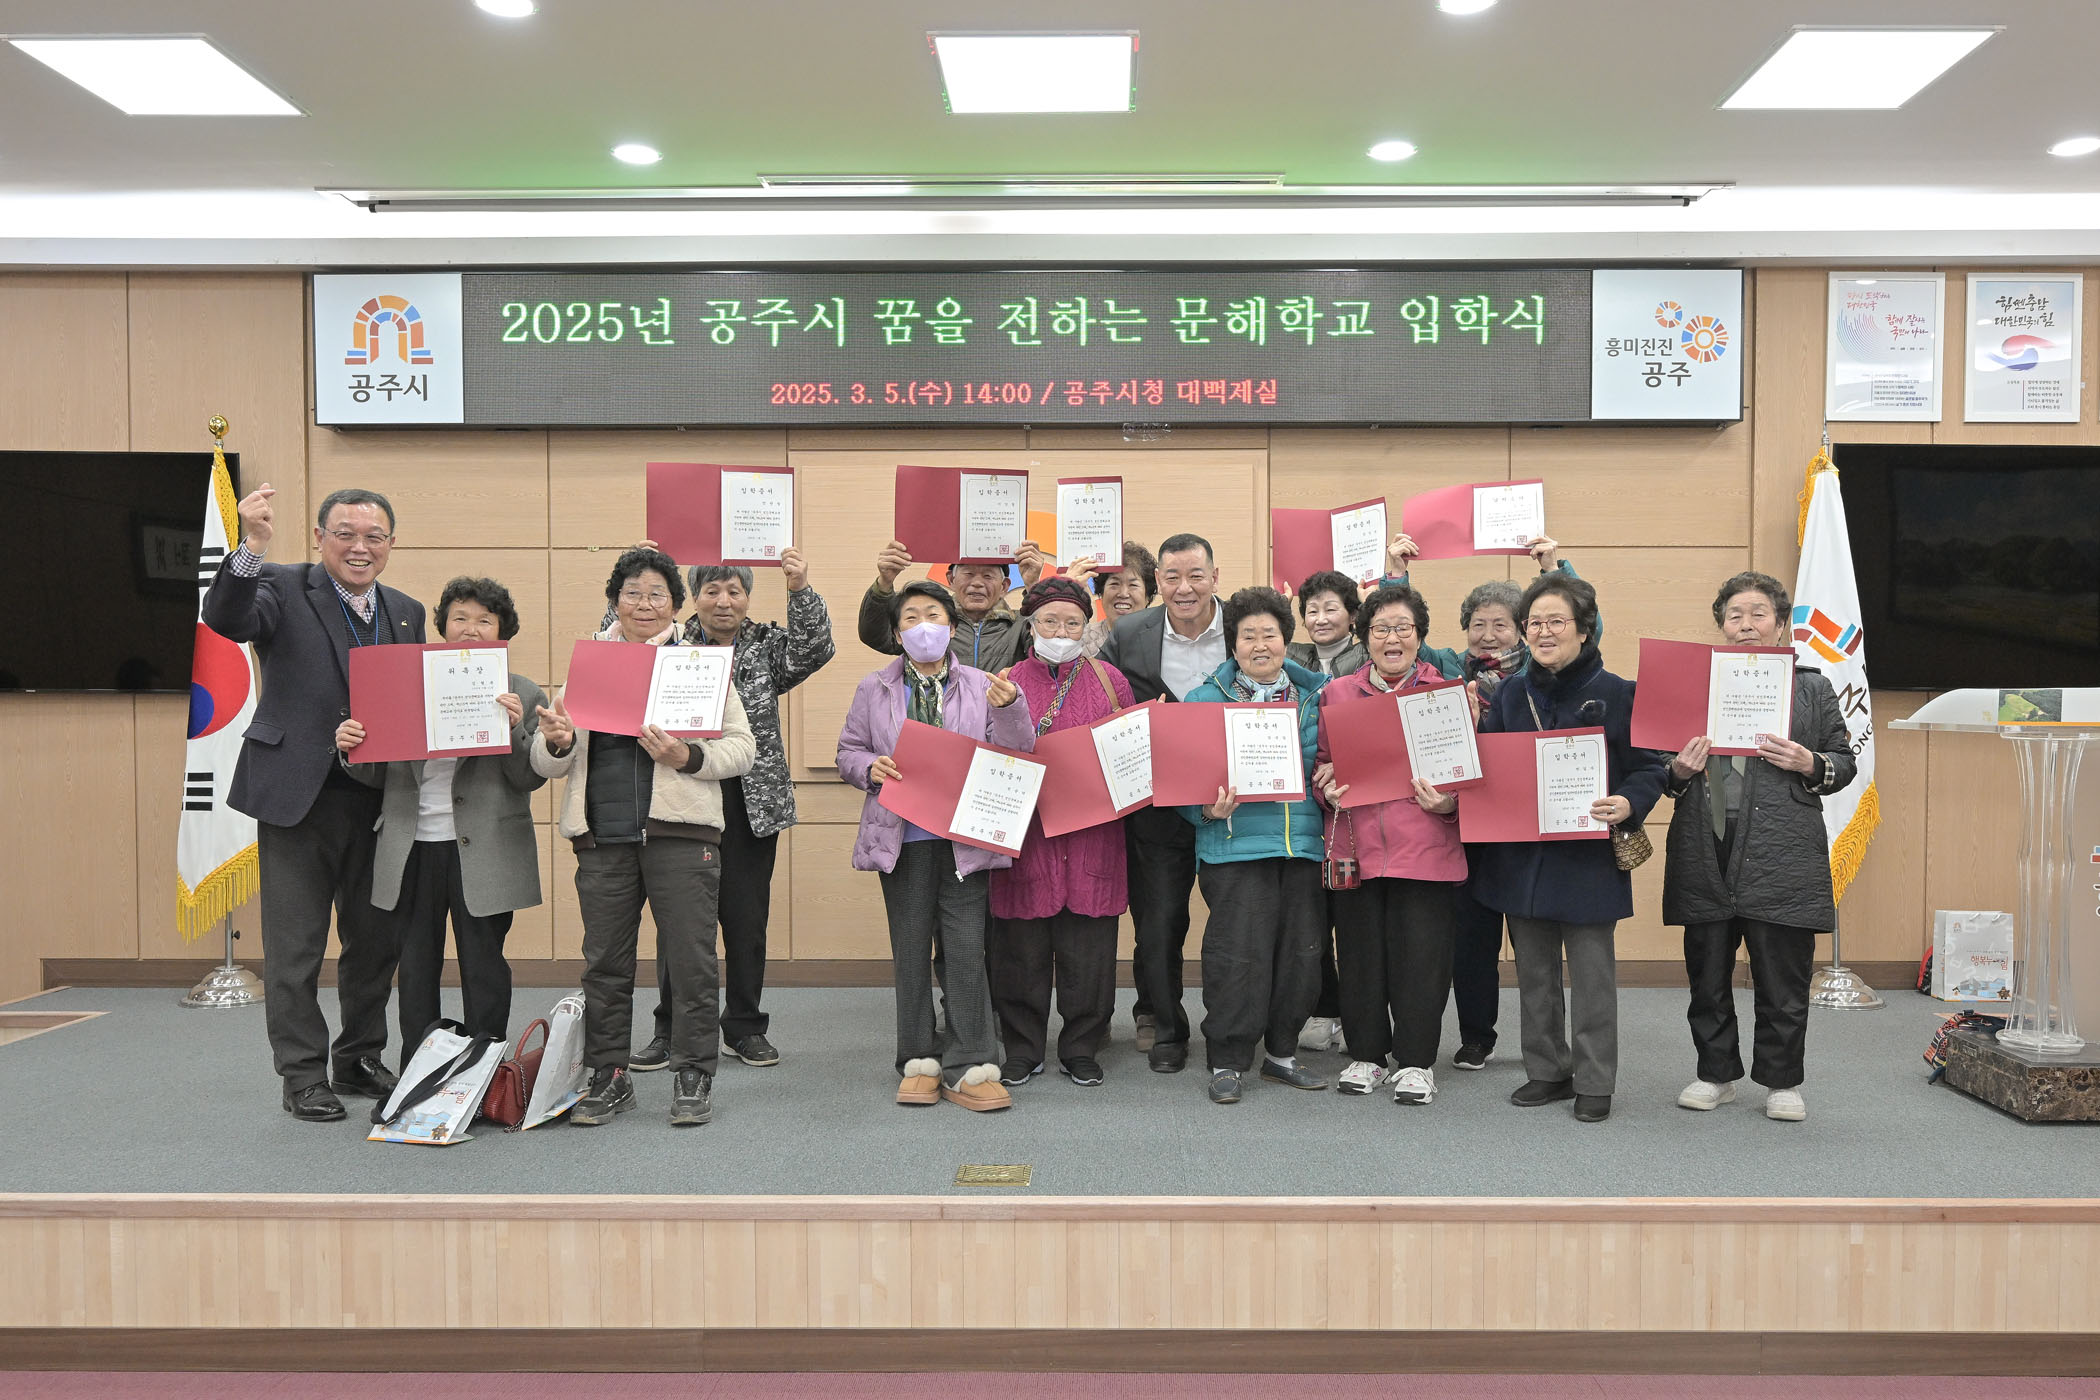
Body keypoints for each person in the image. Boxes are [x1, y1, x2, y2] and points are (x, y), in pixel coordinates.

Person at [203, 484, 424, 1123]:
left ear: (391, 543)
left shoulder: (407, 611)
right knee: (296, 949)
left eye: (374, 536)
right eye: (345, 534)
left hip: (377, 801)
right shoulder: (279, 584)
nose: (360, 547)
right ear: (322, 536)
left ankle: (358, 1058)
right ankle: (302, 1075)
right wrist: (251, 545)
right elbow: (227, 619)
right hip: (297, 796)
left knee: (373, 944)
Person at [532, 547, 756, 1129]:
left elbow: (743, 748)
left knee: (691, 961)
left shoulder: (698, 665)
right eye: (632, 593)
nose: (644, 604)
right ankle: (608, 1075)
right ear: (615, 602)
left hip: (680, 834)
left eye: (657, 594)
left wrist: (688, 757)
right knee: (605, 965)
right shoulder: (588, 665)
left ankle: (693, 1072)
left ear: (676, 606)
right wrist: (556, 740)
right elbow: (549, 760)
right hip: (602, 836)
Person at [630, 550, 836, 1073]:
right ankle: (669, 1028)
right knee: (680, 923)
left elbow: (816, 647)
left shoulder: (765, 645)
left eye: (735, 591)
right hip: (683, 798)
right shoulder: (669, 645)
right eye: (711, 591)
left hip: (752, 803)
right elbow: (617, 641)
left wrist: (799, 588)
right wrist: (642, 572)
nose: (723, 601)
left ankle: (744, 1026)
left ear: (747, 598)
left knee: (747, 921)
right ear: (693, 598)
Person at [1471, 574, 1665, 1124]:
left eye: (1556, 621)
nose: (1544, 632)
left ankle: (1595, 1079)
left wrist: (1628, 802)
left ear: (1584, 629)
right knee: (1534, 973)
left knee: (1592, 977)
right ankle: (1547, 1070)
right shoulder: (1510, 694)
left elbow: (1649, 768)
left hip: (1587, 859)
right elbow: (1489, 767)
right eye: (1534, 623)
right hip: (1522, 858)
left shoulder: (1619, 692)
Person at [1665, 571, 1857, 1123]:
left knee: (1782, 976)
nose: (1745, 625)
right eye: (1735, 615)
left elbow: (1843, 762)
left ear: (1780, 624)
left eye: (1758, 614)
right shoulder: (1691, 683)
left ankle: (1782, 1082)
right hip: (1706, 844)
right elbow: (1657, 764)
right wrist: (1677, 771)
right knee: (1707, 974)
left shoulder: (1812, 688)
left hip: (1782, 846)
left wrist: (1810, 762)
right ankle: (1715, 1075)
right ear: (1721, 624)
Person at [837, 579, 1034, 1111]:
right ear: (897, 632)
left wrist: (1012, 708)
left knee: (967, 950)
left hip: (963, 840)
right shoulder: (874, 687)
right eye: (910, 618)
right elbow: (848, 750)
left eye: (933, 615)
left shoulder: (982, 684)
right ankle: (918, 1058)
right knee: (910, 950)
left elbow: (1018, 750)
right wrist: (869, 768)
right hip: (901, 838)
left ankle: (971, 1061)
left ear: (951, 625)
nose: (923, 626)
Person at [1390, 533, 1584, 1072]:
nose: (1488, 633)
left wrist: (1553, 569)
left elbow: (1582, 628)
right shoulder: (1448, 668)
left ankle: (1545, 1046)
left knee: (1534, 942)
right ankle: (1478, 1036)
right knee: (1471, 940)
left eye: (1501, 623)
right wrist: (1397, 575)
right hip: (1465, 823)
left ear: (1521, 628)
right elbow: (1403, 635)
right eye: (1478, 623)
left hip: (1524, 824)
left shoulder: (1541, 672)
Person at [336, 576, 548, 1067]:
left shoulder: (521, 691)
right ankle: (420, 1070)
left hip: (486, 847)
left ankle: (486, 1070)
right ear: (442, 626)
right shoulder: (402, 684)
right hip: (412, 845)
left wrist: (515, 731)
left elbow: (529, 777)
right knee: (415, 966)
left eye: (484, 620)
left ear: (502, 631)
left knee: (484, 964)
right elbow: (375, 776)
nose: (470, 629)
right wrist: (352, 748)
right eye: (460, 618)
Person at [1311, 583, 1467, 1105]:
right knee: (1359, 958)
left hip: (1426, 849)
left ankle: (1417, 1062)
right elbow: (1322, 766)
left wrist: (1448, 804)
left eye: (1403, 628)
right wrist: (1327, 789)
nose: (1392, 638)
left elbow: (1469, 777)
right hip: (1355, 848)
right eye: (1380, 629)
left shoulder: (1444, 694)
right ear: (1364, 636)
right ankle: (1367, 1056)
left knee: (1421, 961)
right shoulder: (1337, 693)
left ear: (1420, 636)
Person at [1180, 587, 1330, 1104]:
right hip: (1234, 847)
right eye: (1248, 636)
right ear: (1233, 644)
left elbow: (1335, 762)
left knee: (1301, 957)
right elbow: (1180, 782)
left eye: (1270, 634)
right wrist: (1205, 809)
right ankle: (1227, 1059)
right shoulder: (1202, 701)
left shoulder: (1318, 697)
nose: (1260, 645)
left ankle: (1282, 1055)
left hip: (1302, 846)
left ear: (1287, 640)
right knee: (1236, 958)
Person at [987, 577, 1137, 1089]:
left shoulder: (1110, 681)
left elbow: (1129, 755)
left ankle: (1081, 1046)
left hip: (1094, 834)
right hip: (1028, 836)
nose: (1061, 632)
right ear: (1031, 625)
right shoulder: (1007, 680)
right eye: (1050, 621)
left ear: (1086, 627)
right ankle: (1022, 1047)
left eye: (1073, 623)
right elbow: (988, 751)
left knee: (1089, 952)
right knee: (1020, 951)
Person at [1099, 533, 1227, 1071]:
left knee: (1234, 923)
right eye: (1172, 577)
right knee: (1158, 923)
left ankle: (1232, 1030)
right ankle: (1167, 1028)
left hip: (1230, 803)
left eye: (1196, 575)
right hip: (1156, 804)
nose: (1184, 588)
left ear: (1215, 577)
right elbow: (1098, 695)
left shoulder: (1244, 625)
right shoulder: (1130, 632)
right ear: (1158, 582)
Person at [1284, 568, 1370, 1054]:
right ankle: (1323, 1008)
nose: (1319, 618)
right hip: (1303, 804)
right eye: (1311, 610)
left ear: (1353, 615)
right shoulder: (1288, 659)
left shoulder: (1369, 658)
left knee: (1352, 921)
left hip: (1352, 808)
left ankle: (1358, 1018)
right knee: (1311, 923)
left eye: (1330, 608)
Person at [856, 539, 1048, 670]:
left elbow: (1048, 653)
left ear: (1004, 586)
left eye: (988, 576)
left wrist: (1033, 585)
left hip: (1003, 715)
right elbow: (876, 637)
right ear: (951, 580)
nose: (977, 583)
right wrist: (885, 582)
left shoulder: (1021, 624)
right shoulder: (933, 623)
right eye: (968, 574)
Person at [1079, 542, 1158, 657]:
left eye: (1133, 585)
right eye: (1114, 583)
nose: (1123, 594)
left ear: (1148, 596)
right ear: (1101, 592)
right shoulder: (1079, 641)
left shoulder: (1161, 642)